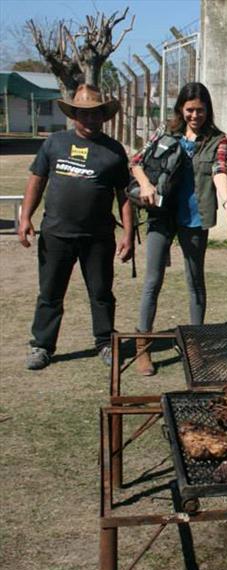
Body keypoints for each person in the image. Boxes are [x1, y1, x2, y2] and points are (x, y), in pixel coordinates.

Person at [19, 84, 134, 370]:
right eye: (84, 114)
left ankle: (105, 342)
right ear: (74, 115)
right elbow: (37, 180)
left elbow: (124, 195)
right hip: (56, 235)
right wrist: (25, 217)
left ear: (103, 116)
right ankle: (42, 345)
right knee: (50, 293)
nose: (90, 119)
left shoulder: (114, 150)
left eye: (95, 114)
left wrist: (128, 233)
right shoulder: (54, 143)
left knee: (101, 293)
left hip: (98, 238)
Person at [130, 82, 227, 375]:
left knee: (195, 281)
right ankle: (143, 346)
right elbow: (136, 162)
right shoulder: (165, 132)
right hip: (162, 214)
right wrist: (146, 185)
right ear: (181, 108)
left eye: (200, 110)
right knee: (153, 280)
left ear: (208, 110)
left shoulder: (218, 139)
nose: (195, 116)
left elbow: (219, 170)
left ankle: (195, 346)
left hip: (194, 217)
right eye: (190, 110)